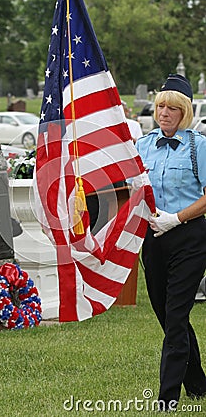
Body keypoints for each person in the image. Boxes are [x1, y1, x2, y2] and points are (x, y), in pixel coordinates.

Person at [135, 74, 206, 412]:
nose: (163, 112)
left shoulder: (199, 146)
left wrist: (175, 219)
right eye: (160, 106)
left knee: (177, 315)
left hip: (189, 237)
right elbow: (132, 187)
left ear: (184, 113)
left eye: (171, 108)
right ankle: (198, 384)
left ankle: (167, 399)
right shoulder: (143, 145)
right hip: (153, 240)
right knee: (166, 314)